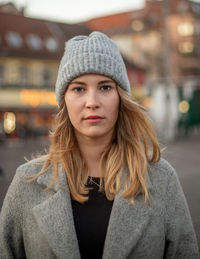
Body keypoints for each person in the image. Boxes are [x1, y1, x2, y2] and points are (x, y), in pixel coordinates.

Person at [0, 31, 199, 259]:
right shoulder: (27, 182)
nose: (92, 102)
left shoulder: (162, 180)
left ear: (121, 97)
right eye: (78, 88)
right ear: (64, 99)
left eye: (105, 87)